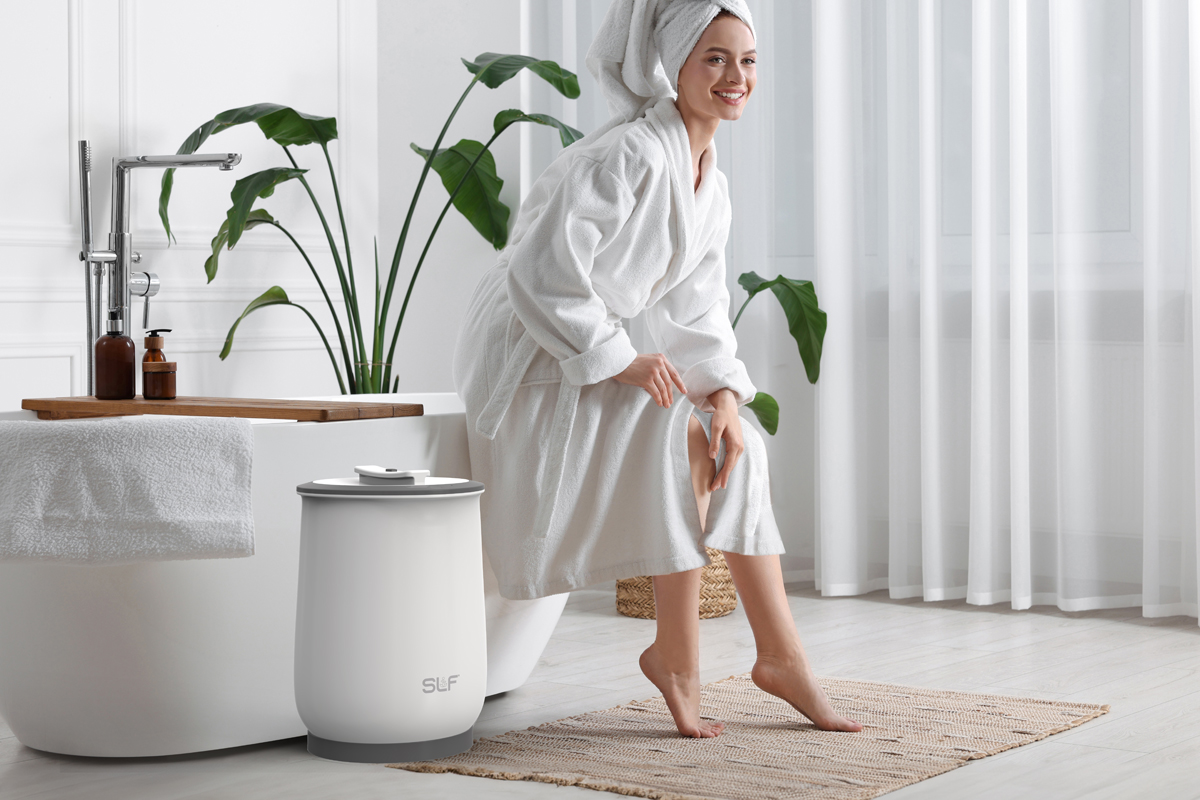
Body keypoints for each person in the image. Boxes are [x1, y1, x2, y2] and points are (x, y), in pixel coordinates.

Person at [453, 0, 861, 738]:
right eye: (715, 58)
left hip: (586, 347)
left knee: (737, 442)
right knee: (689, 442)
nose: (735, 76)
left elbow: (697, 311)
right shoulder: (627, 156)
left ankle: (778, 656)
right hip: (534, 354)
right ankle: (680, 657)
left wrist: (726, 392)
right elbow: (539, 273)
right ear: (674, 65)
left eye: (748, 60)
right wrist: (617, 359)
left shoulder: (711, 185)